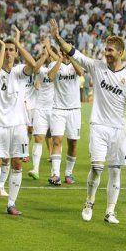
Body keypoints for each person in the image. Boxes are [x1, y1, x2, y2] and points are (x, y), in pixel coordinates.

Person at [49, 19, 126, 224]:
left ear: (120, 53)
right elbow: (76, 54)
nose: (106, 53)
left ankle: (110, 211)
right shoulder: (97, 67)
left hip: (118, 129)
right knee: (97, 168)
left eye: (110, 50)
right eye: (106, 49)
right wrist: (57, 37)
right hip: (98, 126)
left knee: (116, 170)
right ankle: (89, 202)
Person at [0, 26, 37, 215]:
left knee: (17, 164)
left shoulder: (20, 71)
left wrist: (18, 43)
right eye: (7, 50)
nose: (10, 53)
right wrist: (2, 46)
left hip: (18, 125)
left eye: (12, 50)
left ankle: (11, 203)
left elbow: (34, 65)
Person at [48, 44, 84, 185]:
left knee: (73, 142)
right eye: (63, 51)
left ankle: (69, 172)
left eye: (67, 51)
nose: (65, 53)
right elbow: (50, 76)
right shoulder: (55, 64)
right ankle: (56, 174)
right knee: (57, 140)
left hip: (74, 109)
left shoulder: (76, 64)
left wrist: (72, 58)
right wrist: (59, 60)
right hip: (58, 109)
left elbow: (81, 73)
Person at [28, 40, 58, 181]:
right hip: (40, 108)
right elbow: (34, 68)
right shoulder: (42, 69)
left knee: (56, 140)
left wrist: (50, 52)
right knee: (38, 138)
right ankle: (35, 169)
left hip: (55, 108)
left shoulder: (58, 67)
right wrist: (44, 56)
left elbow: (60, 60)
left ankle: (54, 172)